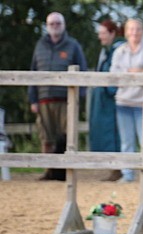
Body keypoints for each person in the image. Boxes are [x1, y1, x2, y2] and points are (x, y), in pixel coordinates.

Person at [28, 12, 89, 180]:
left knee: (67, 137)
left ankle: (67, 172)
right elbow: (33, 72)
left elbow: (83, 71)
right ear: (47, 26)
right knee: (46, 137)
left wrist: (79, 98)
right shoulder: (40, 45)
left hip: (66, 100)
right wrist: (33, 99)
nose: (55, 26)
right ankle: (48, 170)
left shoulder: (73, 45)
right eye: (52, 24)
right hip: (44, 99)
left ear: (63, 25)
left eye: (58, 23)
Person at [110, 18, 143, 182]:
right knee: (126, 142)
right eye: (131, 29)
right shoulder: (119, 51)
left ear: (142, 31)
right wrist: (135, 72)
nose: (134, 32)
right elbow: (114, 75)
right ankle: (128, 174)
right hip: (123, 101)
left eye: (137, 29)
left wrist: (129, 73)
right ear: (125, 32)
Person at [88, 19, 125, 181]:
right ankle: (113, 167)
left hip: (111, 98)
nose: (100, 37)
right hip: (103, 97)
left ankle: (119, 168)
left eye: (103, 33)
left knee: (114, 134)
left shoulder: (119, 50)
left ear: (112, 33)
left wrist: (110, 90)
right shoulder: (107, 51)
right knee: (105, 132)